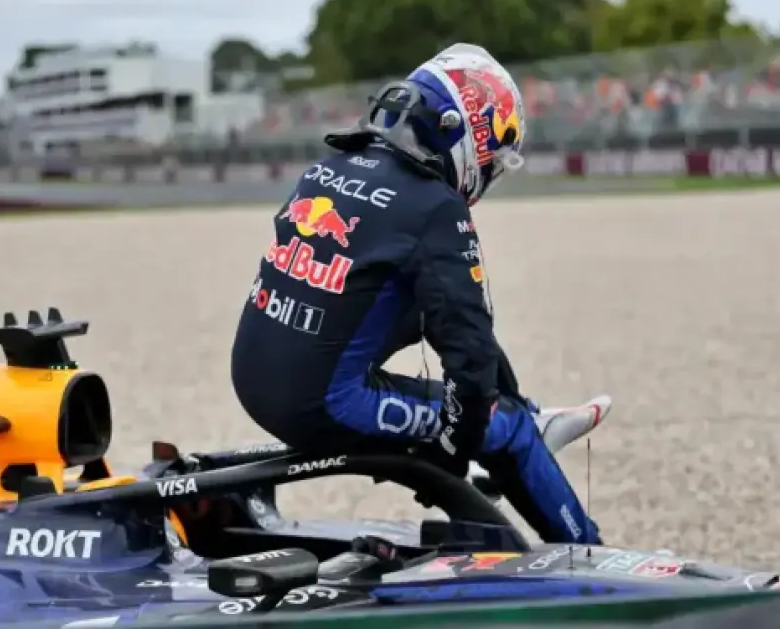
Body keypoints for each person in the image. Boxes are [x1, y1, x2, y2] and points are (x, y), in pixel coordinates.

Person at [229, 43, 601, 544]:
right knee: (507, 427)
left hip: (253, 378)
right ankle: (588, 550)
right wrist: (458, 448)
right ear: (467, 135)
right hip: (321, 404)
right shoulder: (434, 206)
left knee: (444, 320)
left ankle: (528, 416)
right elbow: (470, 359)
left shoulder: (328, 166)